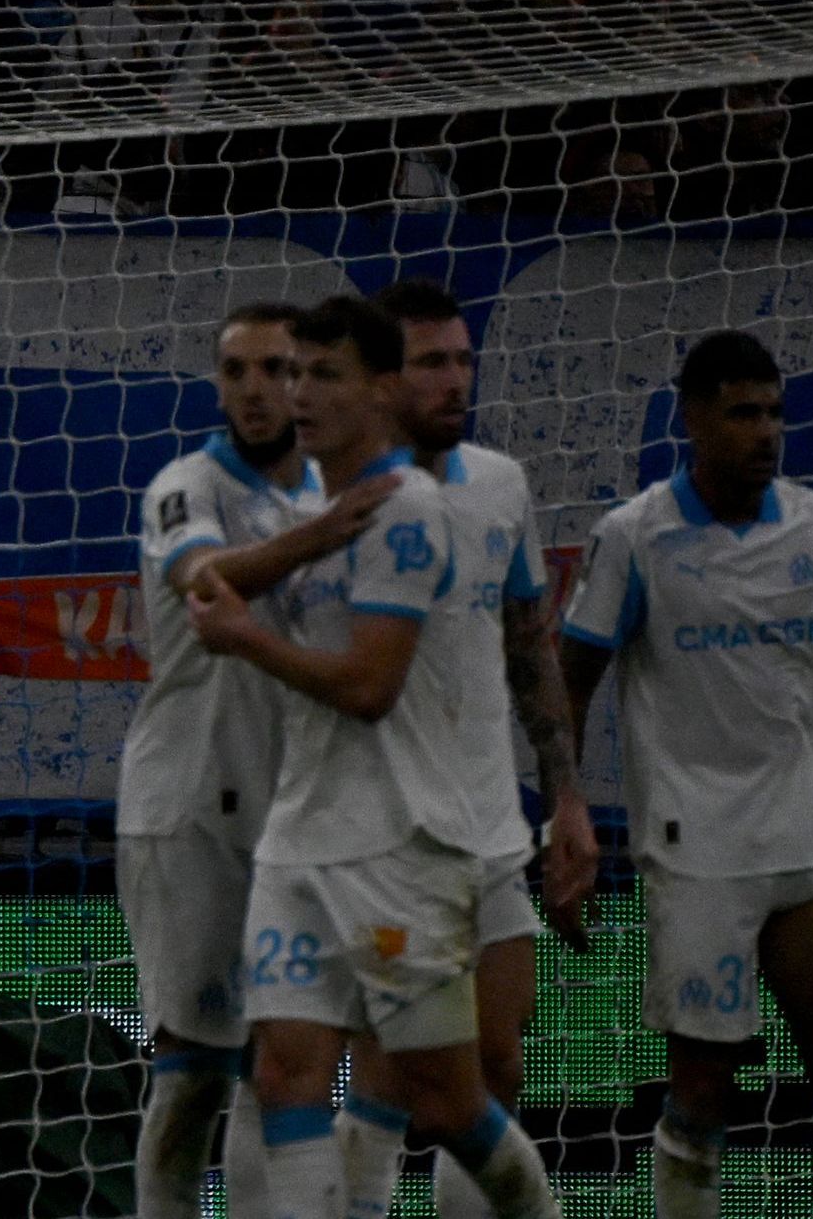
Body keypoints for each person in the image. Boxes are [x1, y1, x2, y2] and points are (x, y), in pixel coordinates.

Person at [179, 293, 560, 1219]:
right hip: (300, 835)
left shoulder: (409, 511)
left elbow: (368, 685)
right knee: (284, 1073)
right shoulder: (305, 503)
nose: (299, 393)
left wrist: (247, 636)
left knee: (449, 1098)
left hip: (403, 844)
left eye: (325, 374)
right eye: (295, 372)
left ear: (380, 391)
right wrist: (302, 539)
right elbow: (210, 580)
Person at [559, 333, 813, 1219]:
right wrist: (567, 814)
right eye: (744, 413)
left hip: (811, 846)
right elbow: (570, 684)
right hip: (698, 852)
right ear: (694, 419)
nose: (766, 431)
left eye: (775, 412)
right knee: (703, 1091)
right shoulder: (634, 538)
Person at [118, 305, 395, 1219]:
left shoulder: (327, 494)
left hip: (294, 816)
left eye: (276, 368)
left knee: (276, 1064)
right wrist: (327, 533)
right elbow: (207, 582)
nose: (256, 388)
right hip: (191, 808)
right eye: (235, 370)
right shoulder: (185, 487)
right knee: (193, 1069)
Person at [347, 280, 591, 1213]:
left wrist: (565, 798)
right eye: (430, 362)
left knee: (496, 1064)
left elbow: (529, 641)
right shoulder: (339, 499)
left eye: (462, 359)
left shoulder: (501, 483)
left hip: (490, 824)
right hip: (386, 830)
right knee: (389, 1071)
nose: (455, 379)